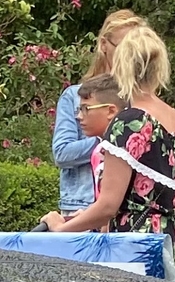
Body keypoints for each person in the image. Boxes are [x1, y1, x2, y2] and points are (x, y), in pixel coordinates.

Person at [43, 25, 175, 282]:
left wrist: (61, 229)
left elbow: (108, 205)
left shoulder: (129, 122)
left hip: (137, 244)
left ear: (122, 66)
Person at [49, 11, 142, 215]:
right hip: (81, 205)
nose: (131, 55)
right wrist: (112, 139)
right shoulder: (74, 96)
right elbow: (62, 153)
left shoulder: (142, 99)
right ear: (103, 45)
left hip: (129, 209)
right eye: (125, 47)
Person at [40, 73, 121, 228]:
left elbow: (108, 208)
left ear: (111, 111)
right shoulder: (101, 151)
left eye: (85, 109)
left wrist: (60, 230)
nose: (78, 116)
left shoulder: (119, 150)